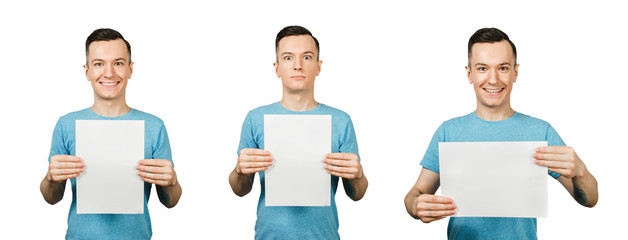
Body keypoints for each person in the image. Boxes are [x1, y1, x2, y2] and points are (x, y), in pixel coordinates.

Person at [404, 27, 598, 239]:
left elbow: (589, 199)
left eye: (503, 68)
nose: (493, 79)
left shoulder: (540, 131)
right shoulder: (448, 132)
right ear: (470, 74)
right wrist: (415, 204)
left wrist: (580, 170)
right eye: (482, 68)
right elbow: (417, 192)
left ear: (515, 72)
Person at [39, 28, 182, 239]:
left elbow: (170, 201)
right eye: (98, 64)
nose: (109, 73)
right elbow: (52, 198)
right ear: (87, 71)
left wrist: (172, 182)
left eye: (118, 63)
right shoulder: (66, 125)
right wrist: (51, 178)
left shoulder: (154, 126)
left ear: (130, 69)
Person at [228, 25, 368, 240]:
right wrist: (240, 170)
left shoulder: (341, 121)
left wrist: (357, 174)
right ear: (276, 68)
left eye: (307, 57)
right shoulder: (255, 118)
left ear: (319, 66)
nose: (297, 65)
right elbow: (240, 190)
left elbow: (357, 194)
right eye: (287, 58)